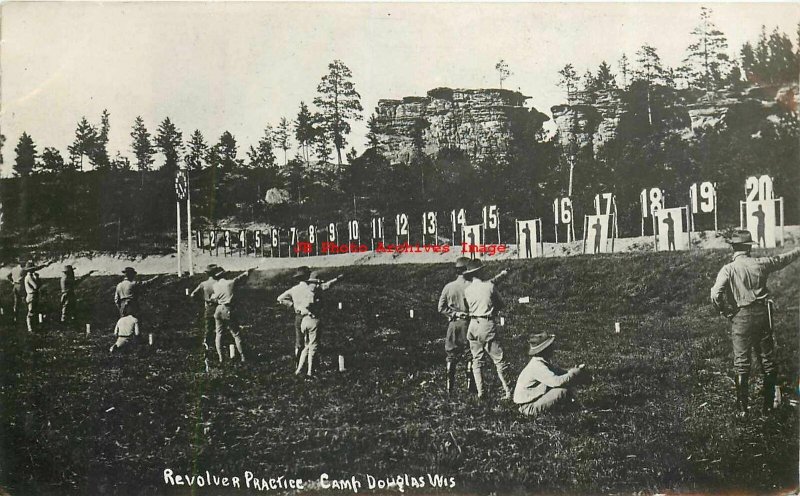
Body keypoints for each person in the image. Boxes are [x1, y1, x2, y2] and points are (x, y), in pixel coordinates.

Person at [710, 230, 800, 417]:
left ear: (734, 247)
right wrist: (798, 250)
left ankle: (743, 411)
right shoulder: (761, 264)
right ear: (749, 247)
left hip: (741, 317)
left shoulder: (728, 269)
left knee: (742, 364)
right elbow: (783, 258)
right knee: (767, 361)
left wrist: (724, 310)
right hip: (762, 316)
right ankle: (768, 407)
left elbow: (715, 293)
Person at [463, 259, 511, 401]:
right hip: (486, 324)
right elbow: (500, 304)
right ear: (481, 272)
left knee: (476, 360)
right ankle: (509, 391)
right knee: (499, 360)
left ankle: (481, 391)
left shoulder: (468, 290)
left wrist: (502, 275)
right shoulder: (489, 287)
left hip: (472, 325)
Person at [285, 270, 343, 377]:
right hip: (312, 319)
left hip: (301, 318)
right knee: (313, 346)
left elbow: (281, 298)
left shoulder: (297, 289)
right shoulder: (314, 290)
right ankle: (310, 371)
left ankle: (298, 368)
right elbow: (325, 287)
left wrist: (293, 305)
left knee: (303, 345)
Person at [513, 333, 585, 417]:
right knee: (562, 390)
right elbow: (557, 382)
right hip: (528, 408)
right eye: (550, 347)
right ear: (544, 350)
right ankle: (575, 410)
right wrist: (573, 373)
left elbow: (557, 372)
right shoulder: (538, 366)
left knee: (565, 384)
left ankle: (575, 408)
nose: (553, 349)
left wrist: (571, 371)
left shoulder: (539, 361)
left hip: (532, 402)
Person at [438, 257, 475, 395]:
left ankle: (449, 388)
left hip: (453, 324)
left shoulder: (448, 287)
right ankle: (470, 387)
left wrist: (453, 314)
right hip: (468, 323)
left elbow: (440, 307)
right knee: (470, 354)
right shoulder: (472, 286)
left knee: (451, 354)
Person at [210, 266, 256, 363]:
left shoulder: (215, 285)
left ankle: (221, 358)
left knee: (219, 334)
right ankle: (243, 356)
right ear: (224, 275)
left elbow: (213, 298)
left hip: (218, 309)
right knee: (236, 334)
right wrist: (247, 272)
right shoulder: (230, 283)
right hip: (228, 309)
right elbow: (240, 278)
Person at [276, 266, 312, 364]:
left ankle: (297, 363)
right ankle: (309, 363)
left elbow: (279, 298)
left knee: (299, 341)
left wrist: (291, 305)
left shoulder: (294, 289)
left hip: (298, 316)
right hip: (309, 316)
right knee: (310, 341)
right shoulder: (310, 288)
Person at [189, 264, 219, 349]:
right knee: (219, 327)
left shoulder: (203, 284)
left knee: (208, 327)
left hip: (208, 307)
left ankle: (207, 342)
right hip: (217, 306)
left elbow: (193, 294)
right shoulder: (218, 283)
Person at [23, 261, 45, 333]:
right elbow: (36, 286)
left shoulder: (30, 276)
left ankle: (33, 327)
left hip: (33, 295)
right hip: (31, 295)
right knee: (31, 312)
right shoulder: (29, 277)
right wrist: (37, 279)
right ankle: (30, 329)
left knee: (34, 311)